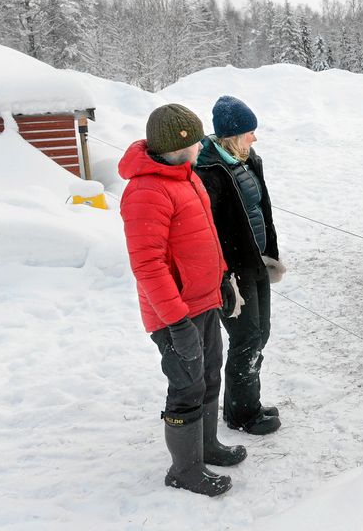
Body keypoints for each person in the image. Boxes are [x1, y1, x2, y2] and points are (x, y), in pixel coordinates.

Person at [119, 104, 247, 497]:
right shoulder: (146, 191)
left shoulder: (186, 177)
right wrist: (176, 322)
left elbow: (206, 237)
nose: (202, 144)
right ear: (179, 145)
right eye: (196, 139)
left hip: (204, 301)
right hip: (174, 314)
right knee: (186, 386)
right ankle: (185, 470)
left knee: (209, 374)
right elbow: (148, 266)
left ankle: (206, 447)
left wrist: (222, 277)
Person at [195, 96, 285, 435]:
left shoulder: (246, 161)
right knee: (246, 338)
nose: (254, 138)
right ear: (233, 135)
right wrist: (223, 275)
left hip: (257, 261)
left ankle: (244, 402)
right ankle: (243, 414)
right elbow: (207, 231)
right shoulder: (209, 171)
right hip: (233, 269)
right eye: (250, 132)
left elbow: (260, 209)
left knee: (261, 334)